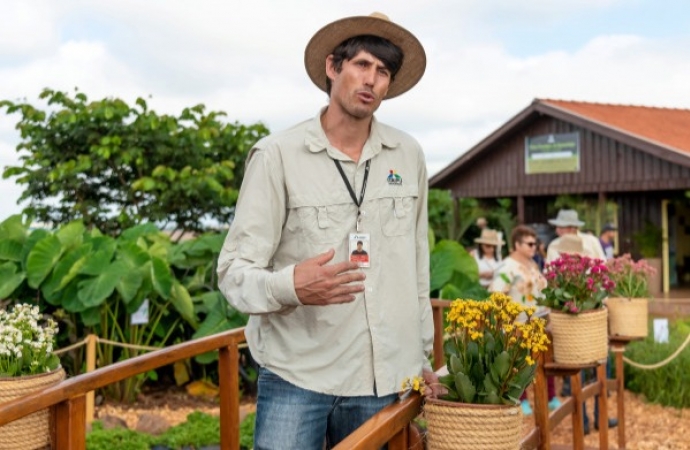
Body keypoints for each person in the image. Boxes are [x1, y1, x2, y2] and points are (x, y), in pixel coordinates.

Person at [216, 12, 442, 449]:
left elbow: (417, 267)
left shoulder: (407, 154)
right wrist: (292, 285)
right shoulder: (276, 155)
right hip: (297, 376)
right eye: (361, 64)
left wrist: (421, 358)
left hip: (384, 380)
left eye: (383, 71)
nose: (371, 80)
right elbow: (233, 273)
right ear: (332, 67)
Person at [488, 225, 560, 415]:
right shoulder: (506, 267)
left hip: (538, 321)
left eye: (535, 243)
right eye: (529, 244)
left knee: (543, 359)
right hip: (517, 325)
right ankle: (521, 400)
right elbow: (497, 294)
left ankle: (550, 397)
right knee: (518, 363)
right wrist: (505, 324)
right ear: (517, 244)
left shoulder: (533, 264)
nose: (533, 247)